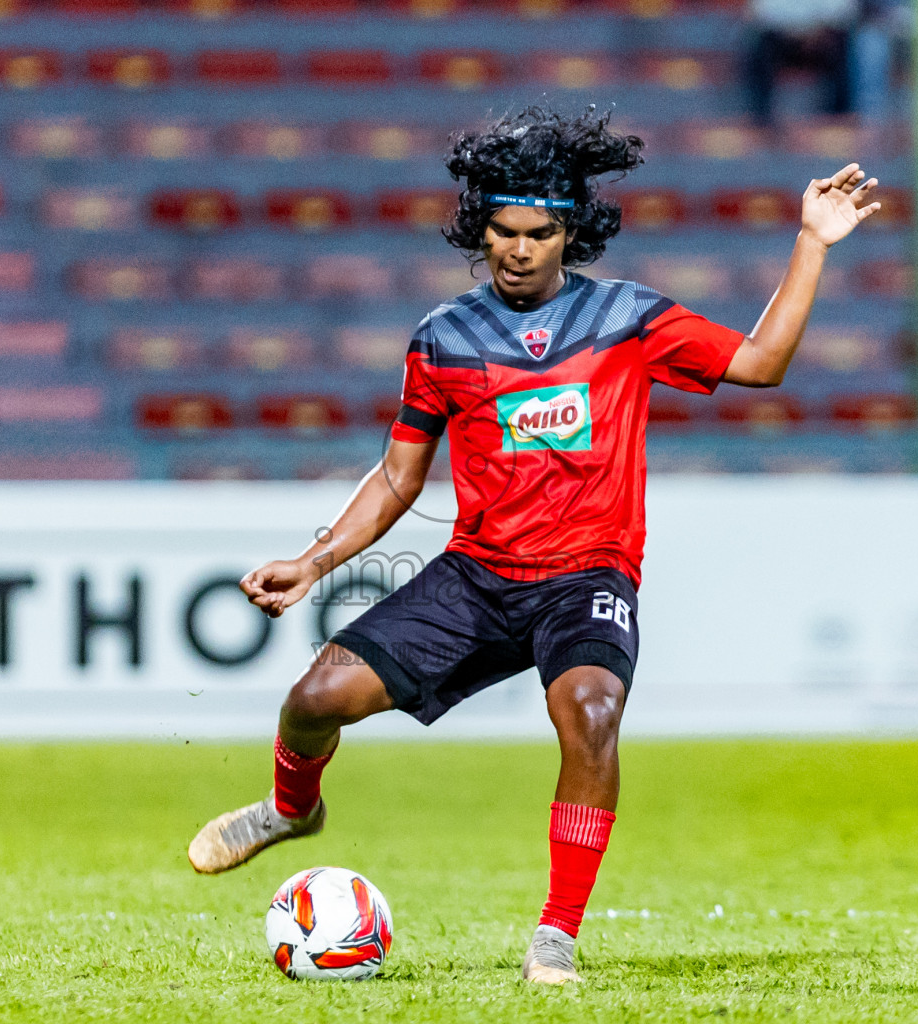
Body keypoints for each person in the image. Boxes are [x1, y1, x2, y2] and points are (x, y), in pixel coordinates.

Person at [186, 107, 880, 984]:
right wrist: (317, 558)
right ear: (481, 229)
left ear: (570, 232)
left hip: (587, 575)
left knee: (589, 714)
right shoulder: (444, 339)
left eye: (539, 233)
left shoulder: (628, 320)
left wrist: (812, 243)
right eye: (503, 232)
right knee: (315, 695)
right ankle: (293, 810)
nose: (518, 250)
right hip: (477, 579)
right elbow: (400, 477)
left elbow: (759, 362)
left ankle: (556, 934)